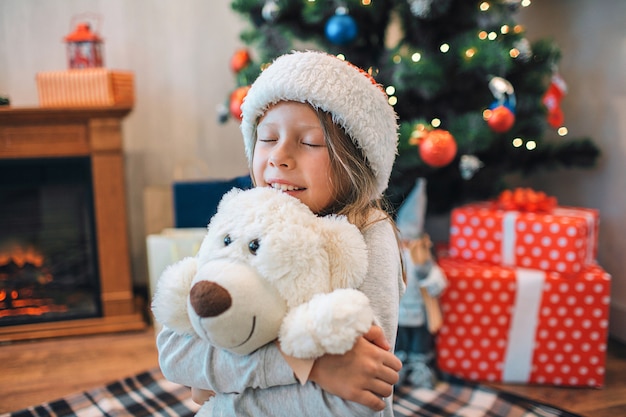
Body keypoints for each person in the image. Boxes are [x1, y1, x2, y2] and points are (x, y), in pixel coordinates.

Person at [156, 50, 405, 416]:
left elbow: (360, 391)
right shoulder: (246, 218)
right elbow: (175, 353)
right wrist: (303, 364)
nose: (278, 157)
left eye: (309, 143)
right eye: (267, 139)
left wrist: (223, 386)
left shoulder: (369, 232)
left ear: (355, 163)